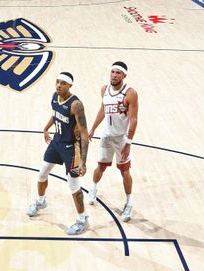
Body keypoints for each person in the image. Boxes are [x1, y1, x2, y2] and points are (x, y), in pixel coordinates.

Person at [25, 72, 90, 234]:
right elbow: (55, 115)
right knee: (42, 173)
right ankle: (41, 202)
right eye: (57, 82)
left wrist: (83, 160)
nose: (59, 85)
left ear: (70, 86)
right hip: (56, 143)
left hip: (70, 148)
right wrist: (46, 128)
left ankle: (83, 220)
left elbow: (84, 133)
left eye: (63, 83)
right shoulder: (55, 97)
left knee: (74, 186)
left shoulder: (76, 105)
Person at [86, 62, 139, 221]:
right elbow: (103, 109)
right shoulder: (104, 89)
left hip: (121, 138)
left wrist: (129, 142)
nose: (114, 75)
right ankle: (93, 188)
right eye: (112, 72)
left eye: (118, 73)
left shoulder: (130, 93)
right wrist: (93, 128)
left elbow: (134, 119)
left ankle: (129, 202)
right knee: (100, 166)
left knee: (124, 171)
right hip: (106, 136)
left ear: (124, 76)